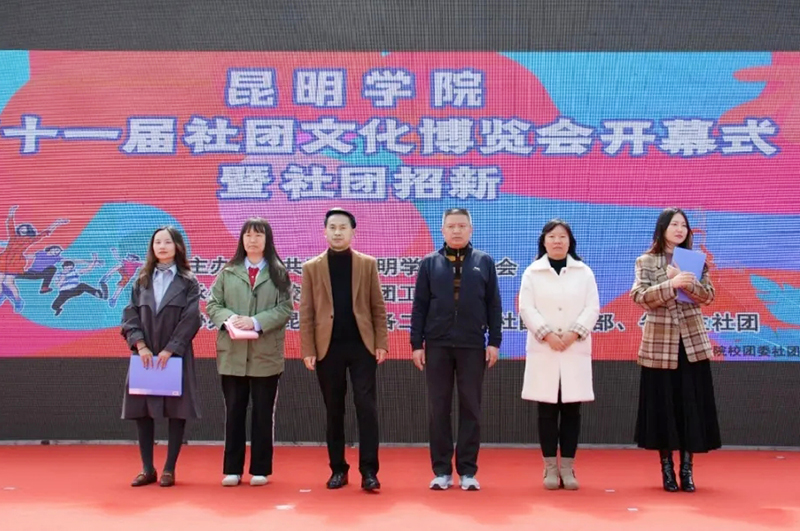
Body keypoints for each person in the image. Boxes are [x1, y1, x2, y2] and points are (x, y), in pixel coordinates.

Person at [410, 208, 502, 491]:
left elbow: (494, 304)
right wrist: (416, 344)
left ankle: (468, 471)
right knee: (438, 409)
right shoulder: (430, 263)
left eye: (462, 226)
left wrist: (494, 341)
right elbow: (419, 306)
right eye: (451, 226)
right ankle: (441, 471)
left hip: (472, 345)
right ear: (443, 231)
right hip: (437, 345)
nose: (457, 230)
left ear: (471, 230)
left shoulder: (484, 262)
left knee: (471, 407)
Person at [630, 207, 721, 493]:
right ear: (663, 229)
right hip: (660, 345)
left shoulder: (695, 260)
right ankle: (667, 468)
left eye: (684, 225)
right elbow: (640, 297)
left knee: (690, 406)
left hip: (691, 344)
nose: (680, 229)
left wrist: (688, 281)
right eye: (674, 225)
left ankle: (687, 469)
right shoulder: (646, 261)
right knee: (664, 407)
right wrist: (671, 284)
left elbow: (708, 297)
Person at [299, 208, 388, 492]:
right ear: (324, 232)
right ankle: (338, 469)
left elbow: (377, 306)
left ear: (353, 232)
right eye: (333, 227)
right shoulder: (312, 267)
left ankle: (369, 471)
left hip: (362, 346)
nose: (337, 232)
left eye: (343, 228)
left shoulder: (366, 264)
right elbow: (306, 311)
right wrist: (308, 348)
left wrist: (381, 343)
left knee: (366, 407)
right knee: (334, 410)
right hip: (328, 348)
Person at [206, 218, 293, 487]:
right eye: (248, 235)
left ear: (268, 240)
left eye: (258, 235)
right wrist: (231, 319)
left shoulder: (278, 272)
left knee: (263, 413)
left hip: (265, 354)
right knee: (234, 412)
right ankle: (232, 469)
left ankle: (260, 469)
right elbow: (212, 304)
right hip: (232, 354)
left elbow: (285, 308)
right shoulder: (228, 272)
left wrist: (255, 322)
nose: (252, 240)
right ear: (241, 240)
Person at [518, 219, 600, 490]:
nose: (557, 241)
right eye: (552, 236)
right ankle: (550, 468)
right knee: (547, 411)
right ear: (543, 241)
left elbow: (592, 308)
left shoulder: (584, 272)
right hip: (545, 348)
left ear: (570, 242)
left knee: (572, 410)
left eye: (562, 237)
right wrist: (547, 334)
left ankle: (568, 468)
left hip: (574, 348)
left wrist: (574, 333)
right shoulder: (532, 272)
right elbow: (526, 308)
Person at [120, 226, 202, 487]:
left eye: (167, 242)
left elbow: (192, 318)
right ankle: (147, 468)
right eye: (157, 242)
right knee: (143, 410)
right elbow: (130, 314)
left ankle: (169, 469)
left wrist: (171, 348)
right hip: (145, 354)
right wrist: (140, 345)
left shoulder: (188, 281)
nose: (162, 246)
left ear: (177, 246)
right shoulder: (142, 279)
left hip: (174, 354)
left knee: (176, 410)